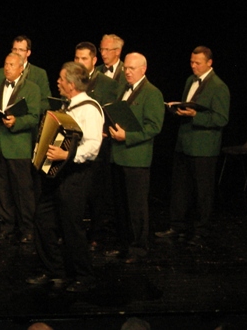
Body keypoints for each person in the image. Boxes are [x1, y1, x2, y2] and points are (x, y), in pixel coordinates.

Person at [27, 62, 103, 292]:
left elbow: (93, 146)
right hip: (57, 174)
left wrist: (66, 155)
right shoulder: (67, 106)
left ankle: (84, 276)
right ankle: (54, 270)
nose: (58, 82)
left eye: (61, 79)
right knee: (43, 219)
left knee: (71, 226)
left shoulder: (90, 109)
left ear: (71, 84)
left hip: (76, 174)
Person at [156, 46, 230, 246]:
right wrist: (177, 109)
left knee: (202, 191)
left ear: (209, 63)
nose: (193, 66)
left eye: (198, 63)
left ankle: (201, 230)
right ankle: (177, 226)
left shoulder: (218, 86)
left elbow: (221, 119)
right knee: (180, 188)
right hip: (184, 143)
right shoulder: (190, 80)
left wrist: (196, 115)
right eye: (191, 62)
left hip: (204, 148)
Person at [107, 53, 164, 264]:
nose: (127, 72)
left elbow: (154, 127)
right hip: (118, 155)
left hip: (136, 159)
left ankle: (138, 248)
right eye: (126, 68)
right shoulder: (123, 88)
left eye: (132, 68)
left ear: (143, 69)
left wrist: (127, 136)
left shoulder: (152, 93)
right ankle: (124, 245)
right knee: (121, 206)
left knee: (136, 207)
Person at [0, 53, 40, 243]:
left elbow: (34, 117)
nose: (7, 68)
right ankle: (6, 226)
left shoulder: (31, 88)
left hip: (18, 145)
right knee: (2, 189)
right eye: (6, 64)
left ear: (21, 68)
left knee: (23, 190)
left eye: (11, 65)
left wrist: (17, 121)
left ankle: (28, 228)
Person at [74, 41, 119, 249]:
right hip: (75, 141)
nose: (80, 62)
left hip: (97, 143)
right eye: (77, 58)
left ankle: (96, 234)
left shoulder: (106, 83)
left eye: (84, 58)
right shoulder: (71, 79)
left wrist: (105, 127)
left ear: (94, 60)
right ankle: (75, 232)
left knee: (96, 192)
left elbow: (111, 109)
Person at [11, 35, 52, 113]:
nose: (17, 53)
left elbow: (46, 102)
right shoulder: (2, 72)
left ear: (28, 53)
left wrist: (27, 111)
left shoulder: (39, 74)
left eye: (21, 50)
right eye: (15, 49)